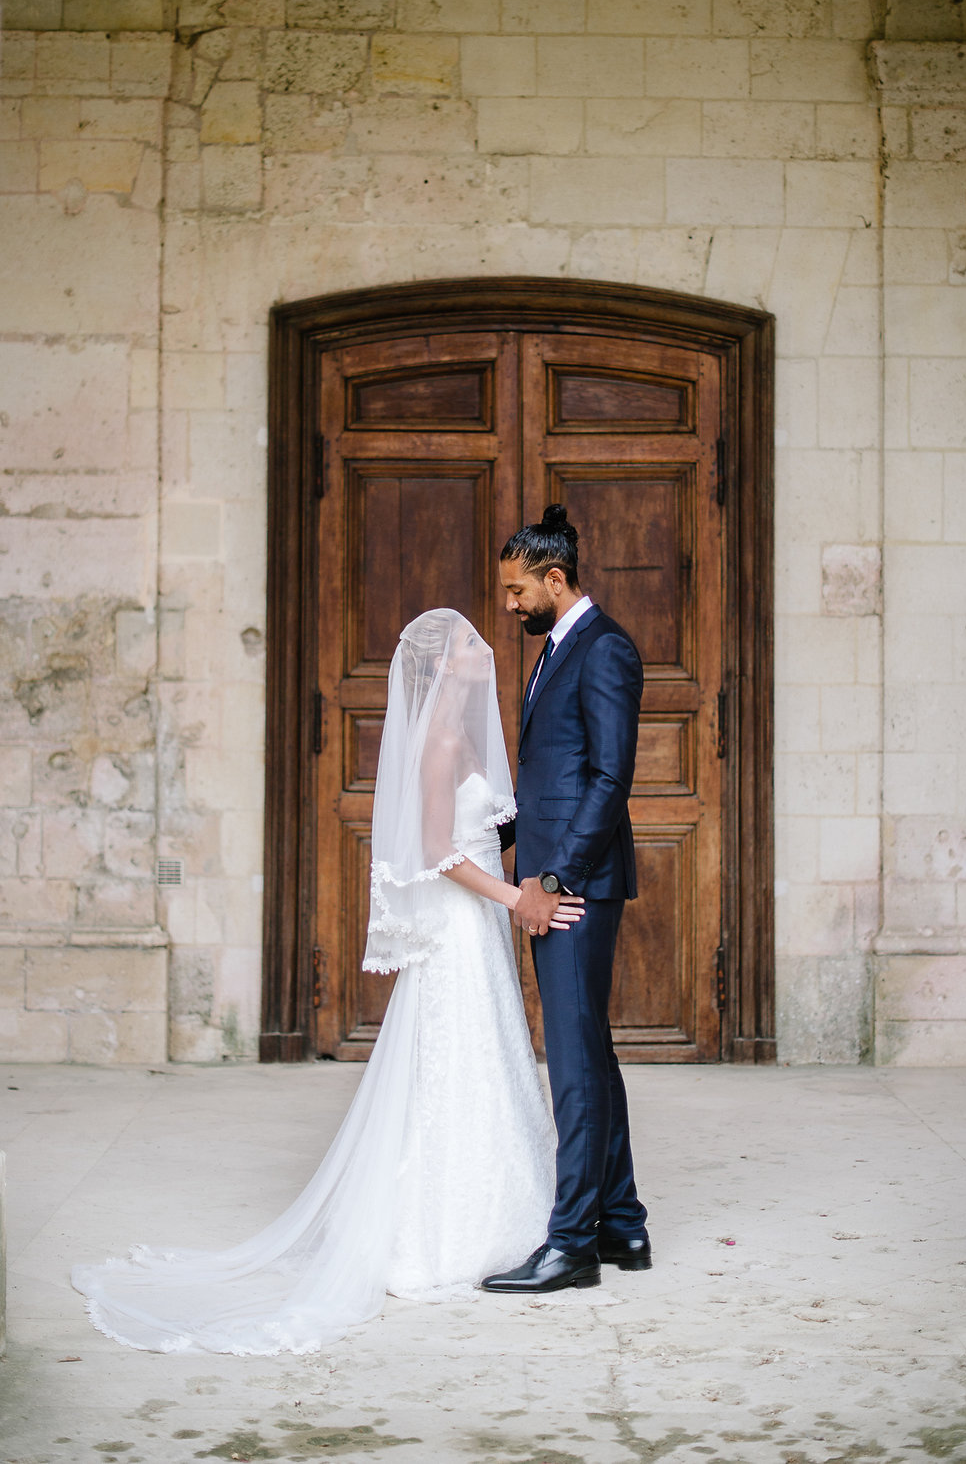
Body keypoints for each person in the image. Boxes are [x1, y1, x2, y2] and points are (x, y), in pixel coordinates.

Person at [72, 609, 576, 1354]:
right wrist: (515, 898)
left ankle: (509, 1214)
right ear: (442, 666)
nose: (484, 647)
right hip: (461, 921)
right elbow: (439, 850)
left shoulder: (471, 735)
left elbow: (490, 828)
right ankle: (433, 1235)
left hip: (477, 930)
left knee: (488, 1060)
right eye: (469, 642)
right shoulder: (439, 742)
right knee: (453, 1062)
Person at [481, 504, 650, 1295]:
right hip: (554, 874)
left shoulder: (605, 648)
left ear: (557, 579)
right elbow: (552, 778)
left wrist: (552, 882)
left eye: (519, 591)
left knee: (575, 1065)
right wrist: (484, 838)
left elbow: (610, 779)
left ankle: (571, 1242)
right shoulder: (557, 648)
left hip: (572, 889)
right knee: (592, 1050)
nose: (509, 604)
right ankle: (622, 1220)